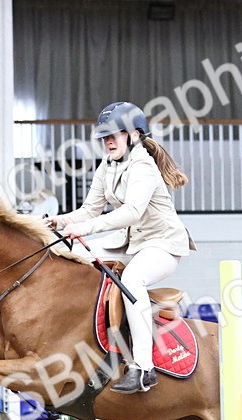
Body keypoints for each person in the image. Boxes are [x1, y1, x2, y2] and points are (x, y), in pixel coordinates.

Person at [50, 101, 193, 394]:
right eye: (104, 136)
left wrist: (85, 229)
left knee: (133, 279)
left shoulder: (144, 166)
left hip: (162, 245)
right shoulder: (108, 165)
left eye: (115, 134)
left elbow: (131, 213)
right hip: (130, 244)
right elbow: (90, 209)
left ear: (135, 135)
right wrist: (60, 221)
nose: (108, 141)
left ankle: (143, 368)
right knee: (72, 259)